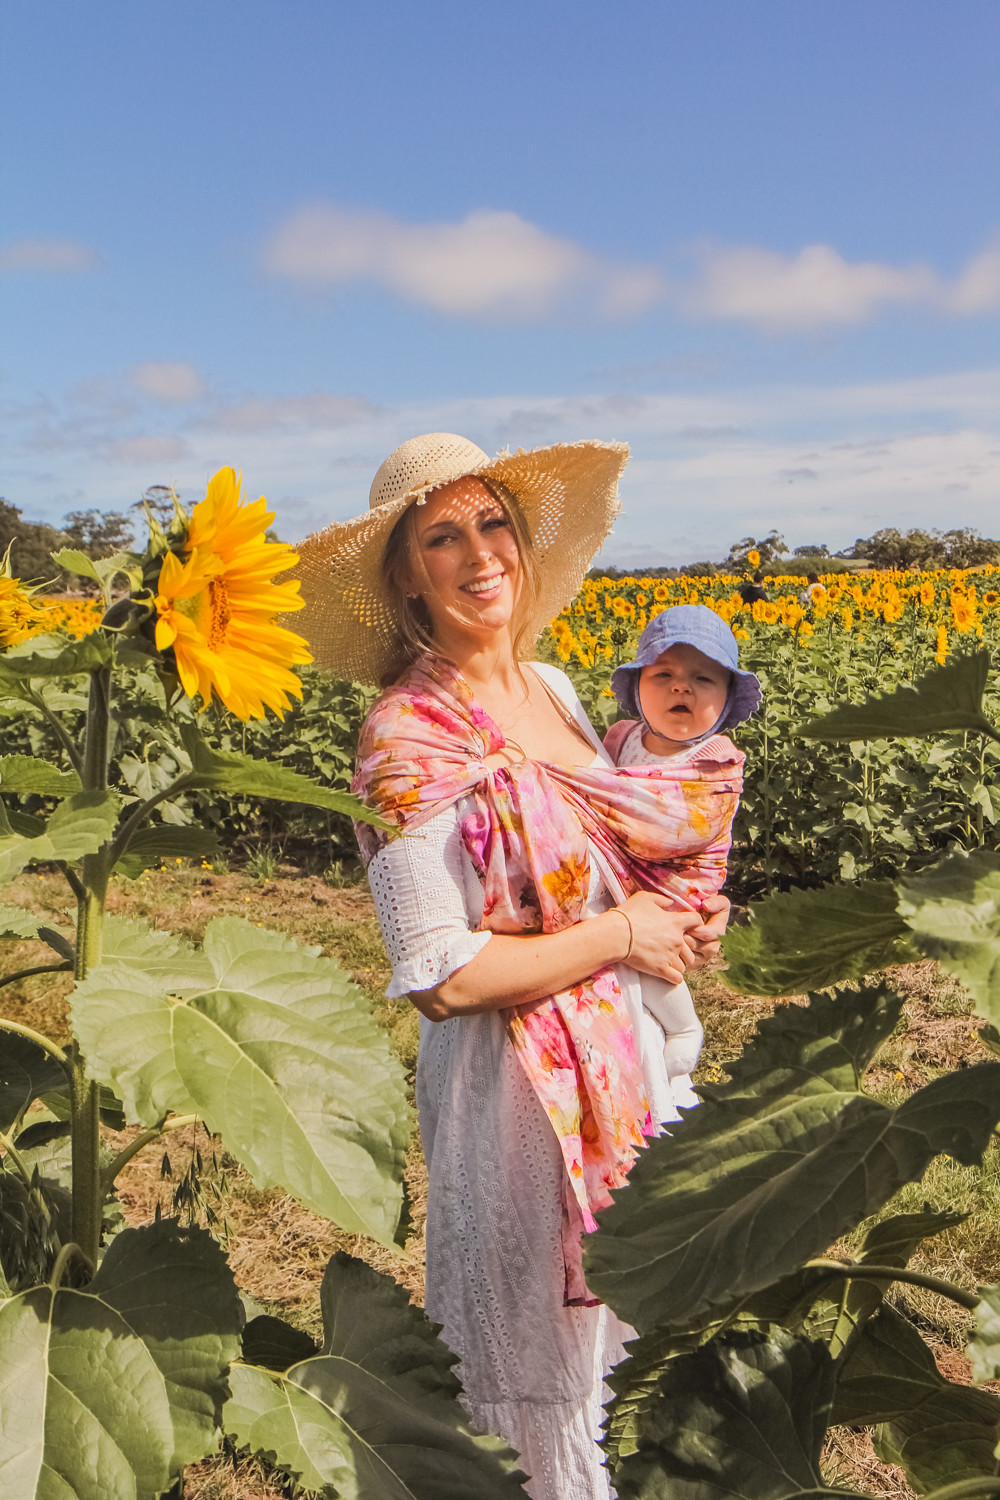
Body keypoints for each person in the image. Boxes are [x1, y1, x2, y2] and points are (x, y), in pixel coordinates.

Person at [294, 433, 730, 1500]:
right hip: (516, 1103)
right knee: (531, 1376)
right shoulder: (404, 738)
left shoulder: (554, 688)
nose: (478, 552)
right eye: (442, 536)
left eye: (493, 523)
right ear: (404, 573)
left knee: (625, 1364)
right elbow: (441, 977)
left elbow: (600, 858)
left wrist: (668, 920)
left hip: (627, 1073)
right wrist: (623, 937)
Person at [603, 604, 761, 1103]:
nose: (681, 688)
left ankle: (685, 1026)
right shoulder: (620, 738)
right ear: (637, 688)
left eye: (703, 679)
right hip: (627, 882)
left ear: (728, 697)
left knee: (656, 961)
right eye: (663, 674)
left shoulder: (714, 761)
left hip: (678, 883)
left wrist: (590, 803)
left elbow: (671, 828)